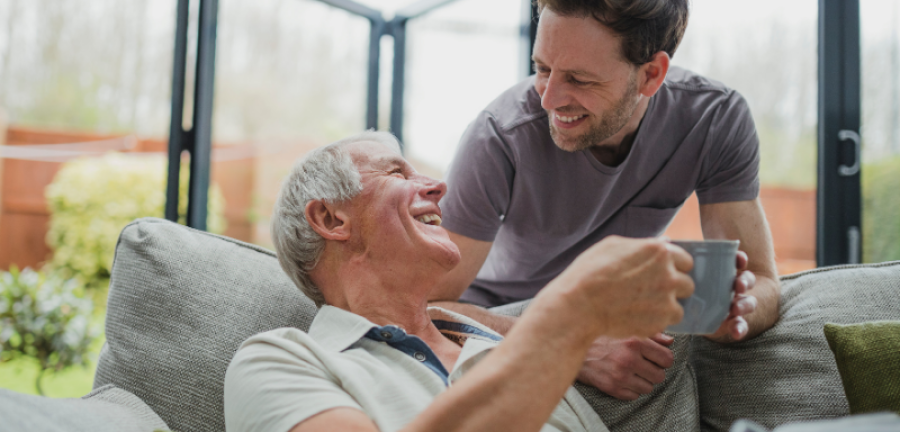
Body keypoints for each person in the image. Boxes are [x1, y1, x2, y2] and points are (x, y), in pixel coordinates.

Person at [224, 131, 746, 432]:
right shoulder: (278, 361)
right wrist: (570, 314)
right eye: (398, 174)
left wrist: (713, 306)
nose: (438, 186)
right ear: (330, 219)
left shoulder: (497, 345)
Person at [429, 0, 781, 401]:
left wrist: (731, 313)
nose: (549, 100)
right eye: (542, 69)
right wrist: (571, 342)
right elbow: (421, 306)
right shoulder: (498, 137)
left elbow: (762, 281)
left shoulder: (715, 119)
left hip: (606, 311)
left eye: (578, 79)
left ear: (651, 75)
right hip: (499, 316)